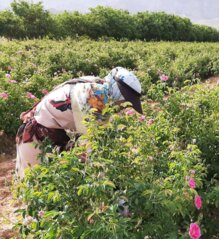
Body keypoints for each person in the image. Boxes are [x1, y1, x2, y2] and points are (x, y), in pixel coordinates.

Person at [15, 67, 143, 179]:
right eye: (125, 101)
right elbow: (92, 144)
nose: (124, 106)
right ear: (118, 93)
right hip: (36, 136)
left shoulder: (101, 86)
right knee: (35, 182)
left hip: (55, 133)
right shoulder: (94, 96)